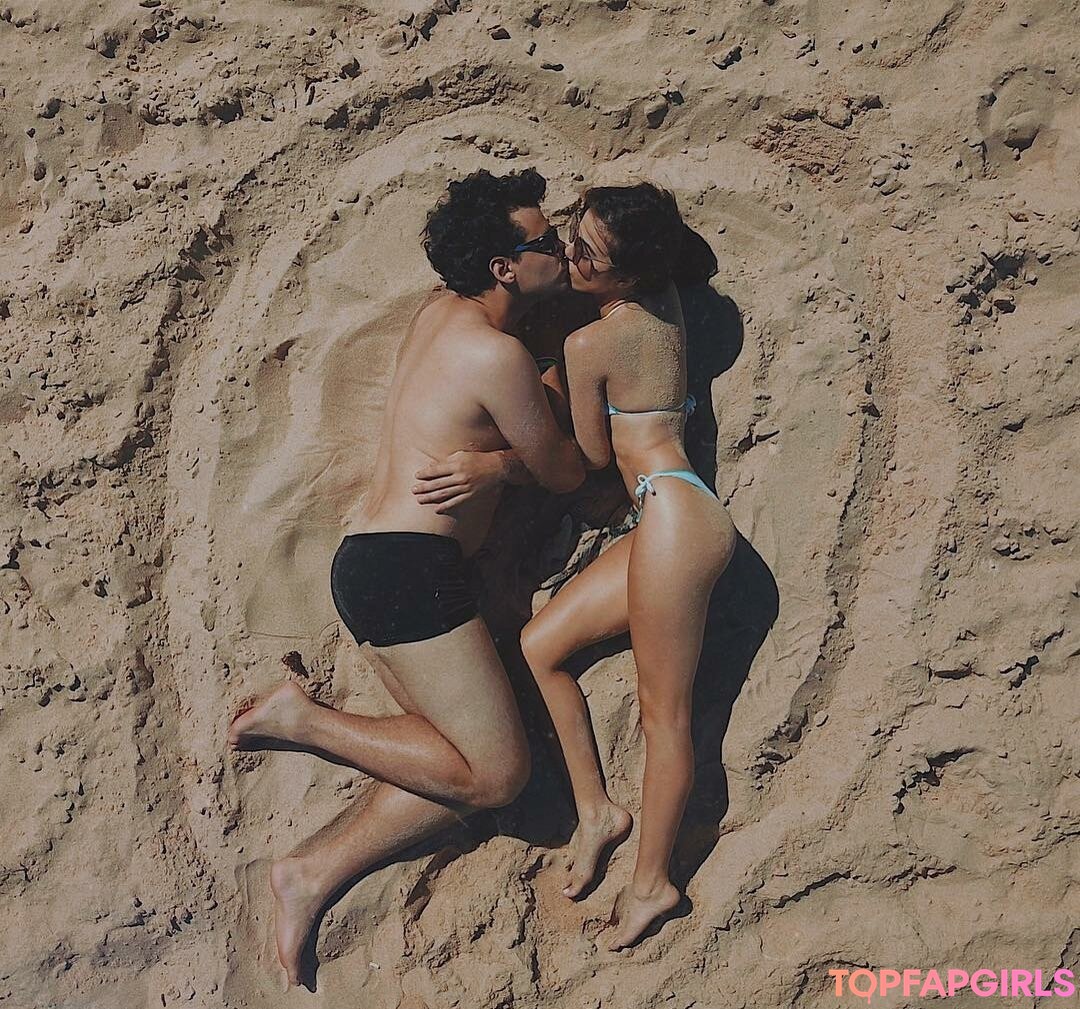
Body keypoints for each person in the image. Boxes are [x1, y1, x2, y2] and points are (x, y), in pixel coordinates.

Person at [227, 168, 584, 989]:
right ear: (503, 267)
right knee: (498, 775)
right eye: (547, 241)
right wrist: (501, 465)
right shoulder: (496, 356)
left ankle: (311, 872)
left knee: (451, 759)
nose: (563, 248)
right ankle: (301, 719)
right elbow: (564, 471)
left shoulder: (440, 311)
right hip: (410, 575)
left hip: (378, 562)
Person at [414, 182, 737, 951]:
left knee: (665, 718)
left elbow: (585, 459)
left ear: (625, 274)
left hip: (672, 521)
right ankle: (598, 811)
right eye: (571, 234)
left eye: (586, 253)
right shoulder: (663, 299)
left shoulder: (591, 346)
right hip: (670, 513)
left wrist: (513, 438)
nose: (569, 253)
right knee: (540, 646)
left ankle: (653, 882)